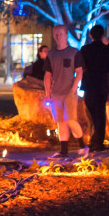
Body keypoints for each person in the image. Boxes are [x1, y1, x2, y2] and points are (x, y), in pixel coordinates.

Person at [44, 24, 88, 160]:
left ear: (66, 35)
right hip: (55, 93)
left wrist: (73, 89)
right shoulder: (51, 54)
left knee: (70, 119)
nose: (58, 37)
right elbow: (47, 74)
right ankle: (63, 151)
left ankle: (83, 146)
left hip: (69, 92)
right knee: (60, 121)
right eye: (55, 34)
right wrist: (47, 93)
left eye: (60, 34)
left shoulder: (75, 52)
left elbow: (79, 72)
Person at [81, 25, 109, 151]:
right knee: (100, 113)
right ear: (102, 35)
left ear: (90, 35)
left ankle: (93, 139)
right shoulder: (107, 50)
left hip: (89, 84)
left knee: (90, 113)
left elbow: (81, 65)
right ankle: (99, 141)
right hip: (102, 84)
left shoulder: (85, 49)